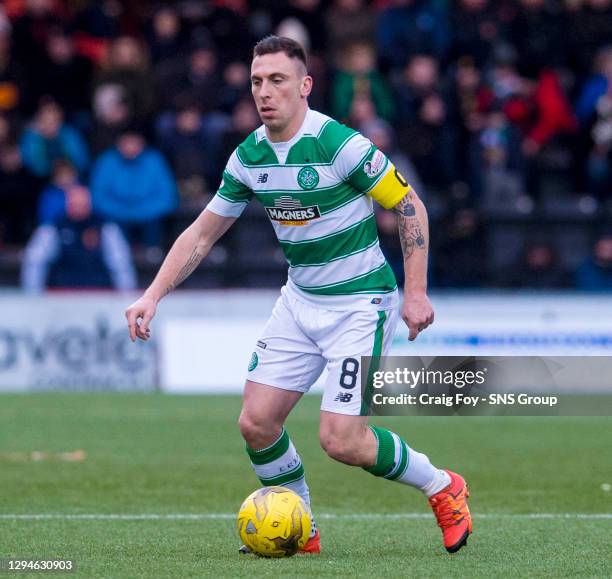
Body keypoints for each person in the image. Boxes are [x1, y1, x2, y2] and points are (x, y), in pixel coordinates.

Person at [125, 36, 472, 555]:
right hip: (299, 301)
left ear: (305, 86)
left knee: (341, 441)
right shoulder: (249, 157)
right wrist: (152, 295)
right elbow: (201, 234)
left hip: (359, 304)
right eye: (257, 81)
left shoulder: (340, 145)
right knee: (256, 422)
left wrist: (415, 293)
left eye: (278, 80)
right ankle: (300, 523)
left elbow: (410, 207)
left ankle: (443, 486)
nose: (265, 92)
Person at [22, 184, 137, 292]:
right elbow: (35, 261)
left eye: (82, 204)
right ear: (67, 204)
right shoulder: (53, 228)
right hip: (61, 296)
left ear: (90, 204)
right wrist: (33, 296)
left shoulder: (106, 228)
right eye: (74, 204)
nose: (78, 208)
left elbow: (120, 264)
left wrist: (126, 297)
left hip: (99, 295)